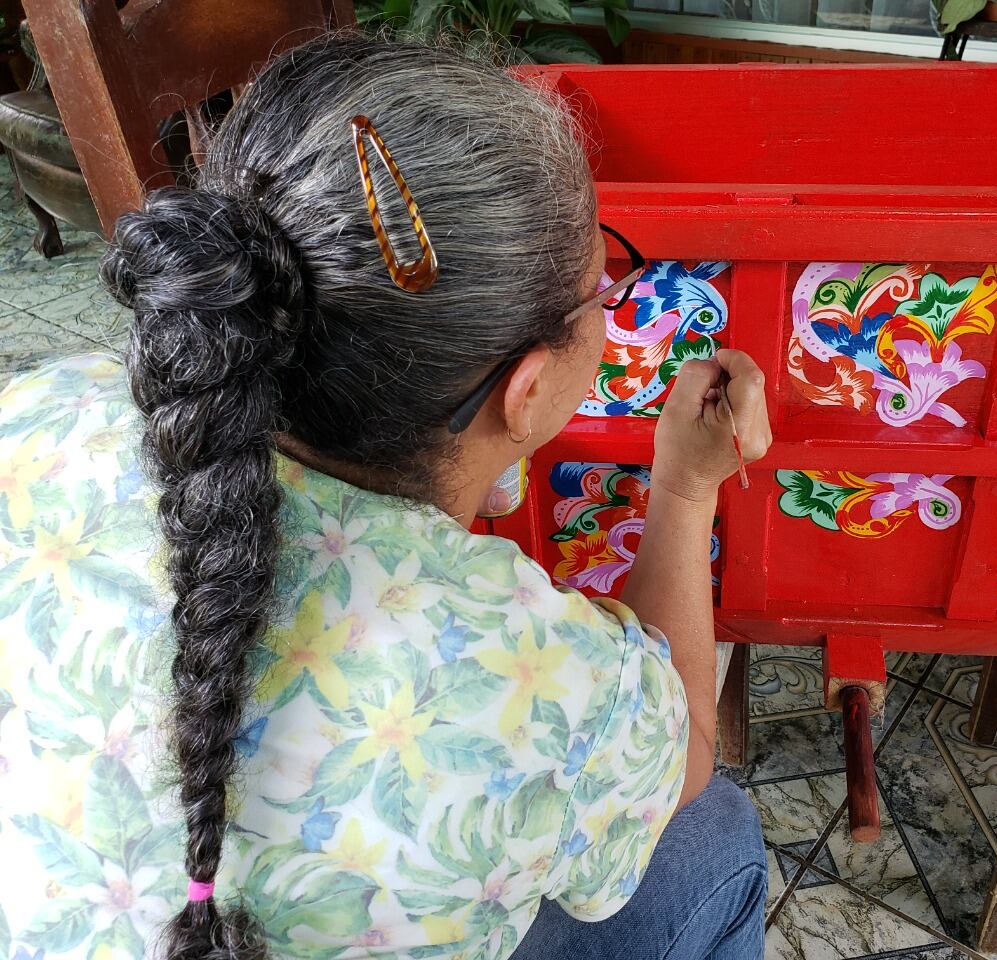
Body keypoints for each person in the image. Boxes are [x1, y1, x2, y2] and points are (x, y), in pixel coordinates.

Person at [0, 34, 772, 960]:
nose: (607, 304)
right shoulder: (551, 684)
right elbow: (683, 756)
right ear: (525, 393)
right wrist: (685, 490)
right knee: (715, 835)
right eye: (599, 287)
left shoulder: (43, 407)